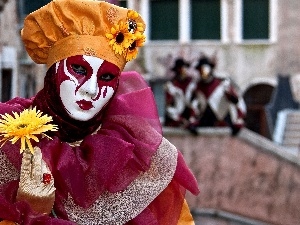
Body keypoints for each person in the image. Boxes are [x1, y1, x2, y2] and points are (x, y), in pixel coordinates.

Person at [0, 0, 199, 224]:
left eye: (106, 77)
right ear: (53, 72)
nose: (91, 89)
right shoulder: (7, 143)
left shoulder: (135, 156)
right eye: (78, 69)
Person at [191, 55, 246, 135]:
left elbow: (236, 101)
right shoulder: (198, 87)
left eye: (204, 69)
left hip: (224, 122)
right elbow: (195, 105)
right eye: (200, 70)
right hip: (206, 122)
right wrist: (193, 120)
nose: (202, 72)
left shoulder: (222, 84)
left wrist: (238, 120)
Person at [164, 58, 198, 133]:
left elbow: (195, 101)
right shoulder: (171, 85)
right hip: (176, 119)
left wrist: (192, 118)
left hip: (190, 116)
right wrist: (180, 119)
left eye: (185, 67)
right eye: (182, 68)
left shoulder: (191, 83)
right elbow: (169, 107)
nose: (184, 70)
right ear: (178, 70)